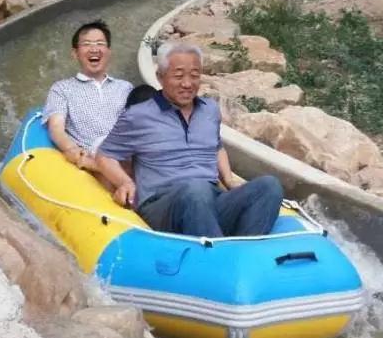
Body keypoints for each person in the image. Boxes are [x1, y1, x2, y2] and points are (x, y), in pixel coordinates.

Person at [96, 41, 284, 237]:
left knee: (269, 185)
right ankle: (218, 253)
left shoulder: (210, 110)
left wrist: (228, 179)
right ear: (160, 77)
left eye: (194, 76)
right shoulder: (138, 115)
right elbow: (105, 155)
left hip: (210, 198)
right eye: (178, 76)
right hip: (162, 205)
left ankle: (245, 250)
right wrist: (125, 183)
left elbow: (216, 146)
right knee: (195, 189)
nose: (187, 84)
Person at [43, 20, 132, 173]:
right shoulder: (62, 88)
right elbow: (56, 128)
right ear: (75, 53)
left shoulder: (125, 87)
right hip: (93, 153)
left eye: (100, 43)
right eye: (87, 44)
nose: (94, 49)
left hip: (126, 150)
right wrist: (72, 150)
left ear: (109, 51)